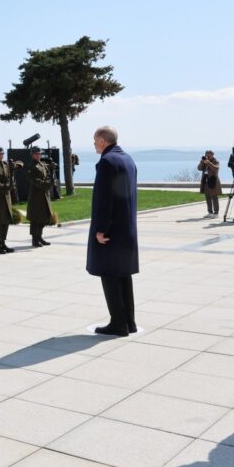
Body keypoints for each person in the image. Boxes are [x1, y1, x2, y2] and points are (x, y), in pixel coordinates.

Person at [86, 126, 139, 337]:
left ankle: (118, 323)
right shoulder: (128, 159)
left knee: (109, 275)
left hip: (111, 231)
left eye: (94, 140)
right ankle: (129, 322)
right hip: (127, 228)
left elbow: (104, 200)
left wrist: (101, 229)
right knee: (123, 275)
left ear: (101, 140)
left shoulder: (107, 162)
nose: (93, 144)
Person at [27, 146, 54, 247]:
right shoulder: (32, 166)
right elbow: (35, 181)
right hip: (36, 196)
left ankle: (40, 237)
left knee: (43, 218)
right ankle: (35, 239)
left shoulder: (42, 164)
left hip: (44, 195)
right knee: (35, 219)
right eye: (37, 153)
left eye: (40, 153)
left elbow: (46, 177)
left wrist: (50, 179)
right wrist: (47, 184)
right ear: (33, 154)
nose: (39, 155)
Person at [197, 150, 222, 218]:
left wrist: (208, 163)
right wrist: (202, 162)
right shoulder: (204, 161)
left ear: (212, 155)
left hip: (213, 181)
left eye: (209, 154)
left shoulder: (216, 161)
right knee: (207, 197)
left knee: (214, 197)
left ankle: (216, 213)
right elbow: (199, 168)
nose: (207, 155)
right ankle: (210, 212)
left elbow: (216, 169)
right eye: (206, 154)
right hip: (206, 181)